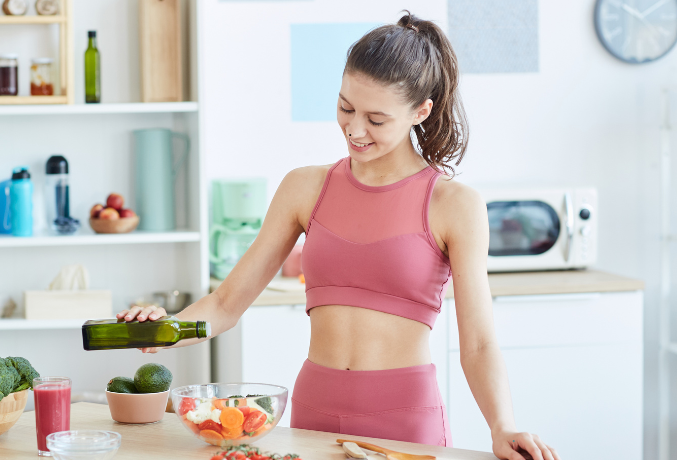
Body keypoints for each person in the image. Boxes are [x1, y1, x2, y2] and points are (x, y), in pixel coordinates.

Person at [117, 12, 559, 460]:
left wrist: (502, 426)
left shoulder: (453, 204)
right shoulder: (304, 187)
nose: (354, 129)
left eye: (376, 119)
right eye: (346, 107)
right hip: (314, 414)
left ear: (420, 111)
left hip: (404, 421)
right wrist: (166, 330)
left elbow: (479, 343)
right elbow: (227, 304)